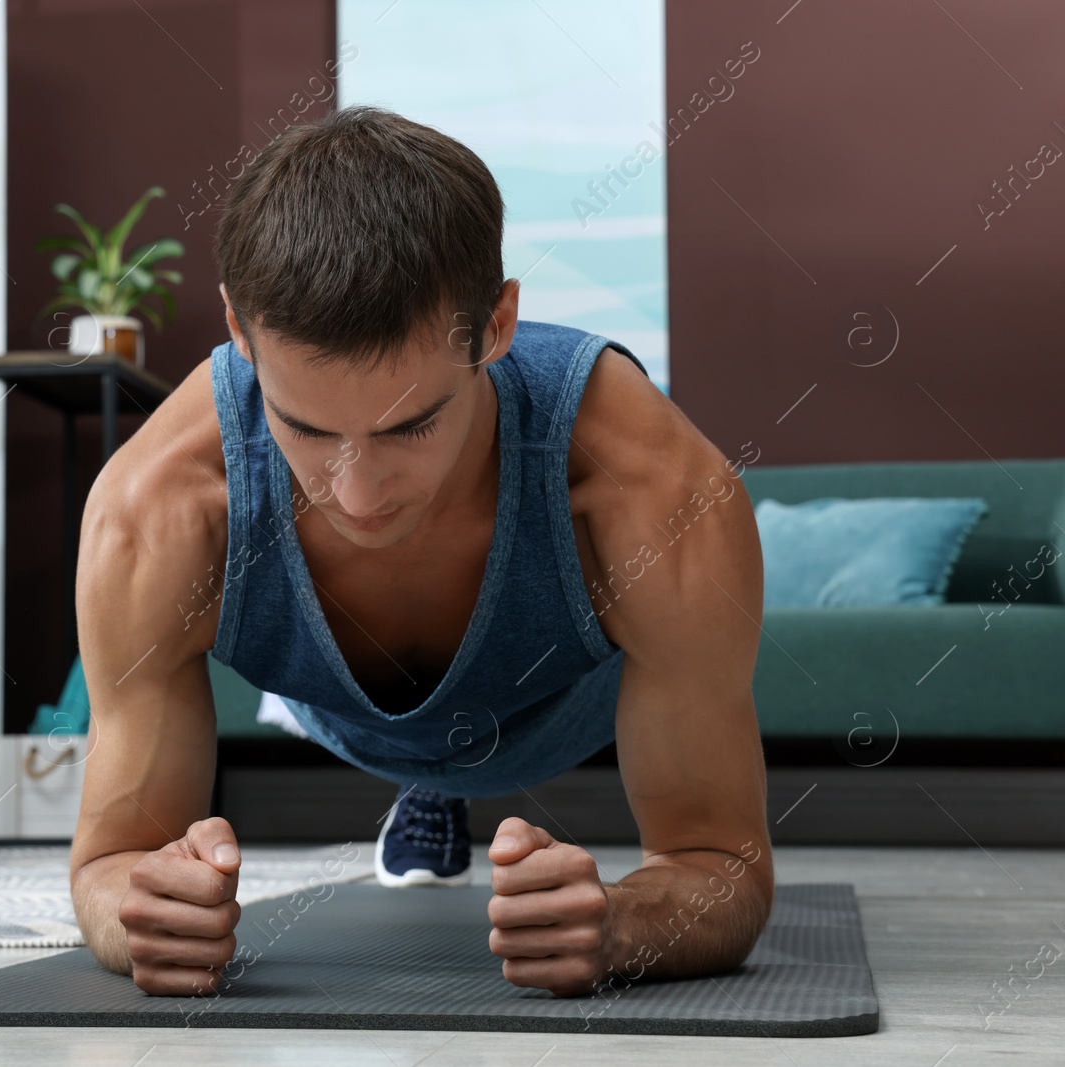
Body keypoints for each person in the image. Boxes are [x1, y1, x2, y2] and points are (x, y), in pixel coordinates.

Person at [69, 105, 773, 999]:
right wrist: (145, 911)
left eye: (413, 424)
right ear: (240, 334)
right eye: (306, 427)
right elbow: (106, 865)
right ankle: (426, 783)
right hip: (339, 708)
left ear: (499, 324)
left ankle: (443, 782)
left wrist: (624, 923)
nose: (357, 494)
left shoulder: (659, 492)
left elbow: (723, 861)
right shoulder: (152, 510)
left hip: (564, 701)